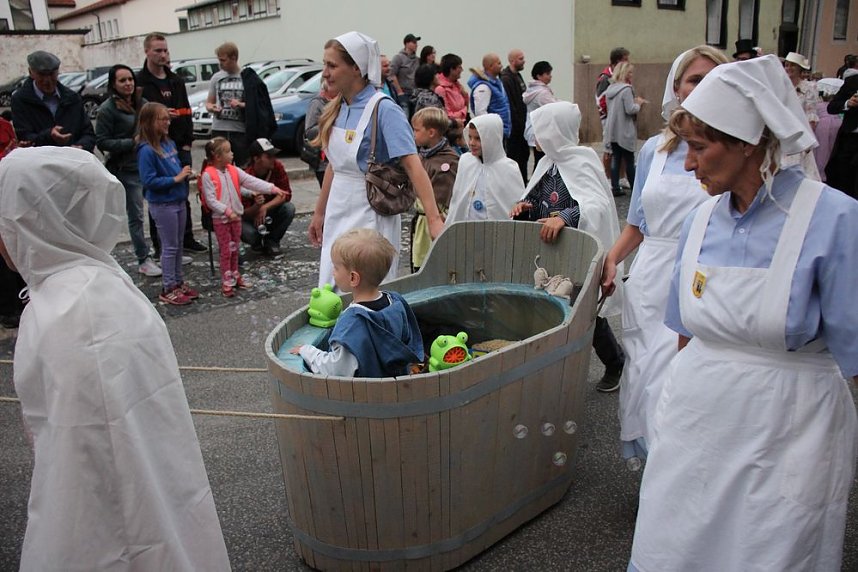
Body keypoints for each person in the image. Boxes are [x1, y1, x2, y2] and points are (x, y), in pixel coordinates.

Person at [628, 55, 858, 572]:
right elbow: (686, 333)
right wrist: (668, 416)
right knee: (677, 545)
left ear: (748, 143)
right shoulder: (700, 220)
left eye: (700, 147)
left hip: (789, 432)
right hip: (696, 423)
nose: (688, 164)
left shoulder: (834, 220)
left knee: (768, 549)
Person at [0, 146, 230, 571]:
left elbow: (83, 468)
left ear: (33, 220)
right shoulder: (90, 285)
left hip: (109, 523)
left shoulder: (76, 311)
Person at [600, 46, 728, 458]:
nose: (703, 87)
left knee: (683, 379)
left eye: (714, 78)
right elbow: (638, 222)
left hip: (704, 277)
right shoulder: (654, 150)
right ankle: (659, 478)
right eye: (695, 79)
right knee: (645, 374)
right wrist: (611, 259)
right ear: (677, 87)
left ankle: (678, 472)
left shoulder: (735, 154)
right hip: (652, 276)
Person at [308, 31, 443, 288]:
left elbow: (414, 167)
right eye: (325, 64)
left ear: (356, 69)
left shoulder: (385, 109)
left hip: (370, 212)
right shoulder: (338, 107)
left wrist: (434, 219)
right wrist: (319, 212)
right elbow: (335, 166)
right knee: (331, 287)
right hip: (339, 209)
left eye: (332, 65)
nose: (324, 72)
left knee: (364, 290)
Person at [511, 101, 626, 393]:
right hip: (548, 253)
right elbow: (536, 199)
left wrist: (565, 217)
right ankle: (556, 370)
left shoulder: (583, 160)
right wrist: (523, 208)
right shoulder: (545, 163)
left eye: (540, 131)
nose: (535, 138)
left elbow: (596, 205)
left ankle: (614, 363)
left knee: (585, 313)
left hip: (575, 252)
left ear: (555, 131)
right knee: (549, 310)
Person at [291, 228, 424, 378]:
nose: (333, 272)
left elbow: (336, 370)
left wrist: (308, 351)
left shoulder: (353, 322)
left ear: (353, 278)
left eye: (336, 267)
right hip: (397, 387)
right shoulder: (396, 302)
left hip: (365, 396)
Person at [137, 32, 208, 255]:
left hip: (178, 145)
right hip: (156, 146)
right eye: (158, 50)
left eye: (165, 50)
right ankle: (161, 246)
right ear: (147, 51)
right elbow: (138, 115)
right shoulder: (140, 82)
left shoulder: (175, 80)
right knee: (159, 199)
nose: (163, 55)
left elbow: (186, 112)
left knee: (181, 196)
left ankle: (186, 239)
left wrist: (187, 143)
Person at [200, 137, 288, 296]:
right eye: (228, 151)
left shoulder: (232, 170)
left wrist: (272, 189)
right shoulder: (208, 174)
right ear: (218, 156)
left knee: (235, 249)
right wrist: (228, 212)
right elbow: (211, 200)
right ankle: (226, 281)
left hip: (236, 218)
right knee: (226, 250)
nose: (232, 154)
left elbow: (250, 182)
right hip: (222, 220)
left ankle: (235, 276)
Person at [96, 64, 161, 278]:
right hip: (126, 168)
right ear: (113, 84)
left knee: (158, 210)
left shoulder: (142, 102)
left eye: (130, 79)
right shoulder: (107, 109)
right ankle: (143, 258)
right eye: (122, 80)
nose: (128, 84)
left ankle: (162, 252)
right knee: (136, 215)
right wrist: (130, 142)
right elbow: (103, 141)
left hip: (147, 163)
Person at [137, 102, 199, 306]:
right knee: (169, 247)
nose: (167, 122)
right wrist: (176, 179)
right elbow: (149, 181)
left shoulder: (168, 144)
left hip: (178, 200)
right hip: (163, 204)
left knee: (178, 244)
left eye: (168, 118)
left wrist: (186, 175)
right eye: (162, 119)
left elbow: (175, 170)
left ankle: (178, 281)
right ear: (149, 122)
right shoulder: (146, 150)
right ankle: (168, 286)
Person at [206, 42, 276, 168]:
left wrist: (241, 104)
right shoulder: (216, 78)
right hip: (219, 128)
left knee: (243, 166)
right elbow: (209, 102)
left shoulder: (247, 78)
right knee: (218, 166)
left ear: (234, 58)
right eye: (219, 60)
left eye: (223, 60)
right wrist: (212, 108)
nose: (220, 64)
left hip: (240, 131)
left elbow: (258, 104)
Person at [446, 114, 523, 225]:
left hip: (494, 233)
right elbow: (458, 199)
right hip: (467, 228)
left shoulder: (508, 168)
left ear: (491, 139)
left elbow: (512, 206)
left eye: (478, 138)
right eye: (470, 137)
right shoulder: (466, 161)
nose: (472, 143)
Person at [11, 50, 94, 151]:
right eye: (42, 75)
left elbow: (88, 133)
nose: (47, 80)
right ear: (31, 73)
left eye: (51, 74)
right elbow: (24, 137)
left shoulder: (72, 98)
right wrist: (49, 136)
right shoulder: (20, 100)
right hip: (41, 161)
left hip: (73, 160)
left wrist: (80, 147)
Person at [410, 107, 459, 271]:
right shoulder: (420, 157)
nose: (413, 134)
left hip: (434, 223)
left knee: (431, 267)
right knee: (417, 264)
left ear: (431, 132)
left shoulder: (449, 161)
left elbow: (447, 197)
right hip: (420, 223)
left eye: (416, 130)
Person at [242, 137, 296, 255]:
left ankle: (272, 241)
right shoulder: (245, 175)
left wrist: (264, 207)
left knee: (289, 208)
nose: (273, 159)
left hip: (268, 213)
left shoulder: (277, 167)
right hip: (250, 218)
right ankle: (256, 243)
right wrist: (257, 207)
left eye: (273, 155)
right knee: (250, 234)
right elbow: (242, 212)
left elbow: (286, 194)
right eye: (268, 156)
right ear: (256, 158)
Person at [604, 61, 647, 196]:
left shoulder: (610, 89)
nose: (631, 75)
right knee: (629, 159)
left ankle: (615, 187)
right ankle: (635, 187)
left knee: (616, 158)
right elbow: (630, 109)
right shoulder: (626, 89)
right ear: (624, 73)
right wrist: (638, 104)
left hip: (612, 129)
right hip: (625, 130)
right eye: (630, 72)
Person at [824, 58, 858, 198]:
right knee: (844, 178)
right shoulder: (853, 81)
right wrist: (848, 103)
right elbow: (831, 107)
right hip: (850, 138)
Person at [595, 47, 630, 181]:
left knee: (623, 147)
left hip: (623, 118)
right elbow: (600, 98)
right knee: (609, 148)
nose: (628, 62)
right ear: (617, 61)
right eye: (625, 60)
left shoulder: (624, 76)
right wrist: (607, 115)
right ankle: (607, 178)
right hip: (609, 118)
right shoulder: (605, 78)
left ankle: (621, 177)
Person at [468, 53, 512, 139]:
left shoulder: (496, 83)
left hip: (502, 131)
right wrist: (492, 130)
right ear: (490, 66)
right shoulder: (483, 87)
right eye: (498, 63)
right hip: (493, 133)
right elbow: (480, 112)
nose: (501, 66)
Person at [501, 49, 529, 182]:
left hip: (522, 126)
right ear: (512, 61)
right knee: (515, 158)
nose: (524, 61)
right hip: (515, 129)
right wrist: (516, 125)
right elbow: (511, 105)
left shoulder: (517, 76)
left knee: (524, 157)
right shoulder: (506, 79)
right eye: (520, 59)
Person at [523, 60, 558, 164]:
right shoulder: (542, 93)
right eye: (547, 74)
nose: (550, 76)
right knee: (542, 162)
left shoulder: (533, 90)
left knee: (539, 160)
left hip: (533, 129)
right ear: (539, 76)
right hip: (539, 131)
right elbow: (554, 108)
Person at [389, 33, 421, 115]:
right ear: (407, 43)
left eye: (416, 43)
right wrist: (399, 92)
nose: (416, 45)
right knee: (405, 116)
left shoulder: (417, 60)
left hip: (415, 94)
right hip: (404, 93)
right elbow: (392, 74)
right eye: (414, 42)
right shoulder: (398, 58)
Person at [434, 53, 468, 128]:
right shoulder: (440, 89)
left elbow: (466, 104)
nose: (462, 70)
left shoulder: (457, 85)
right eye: (459, 67)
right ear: (451, 69)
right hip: (451, 129)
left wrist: (465, 96)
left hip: (462, 126)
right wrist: (463, 111)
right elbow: (447, 115)